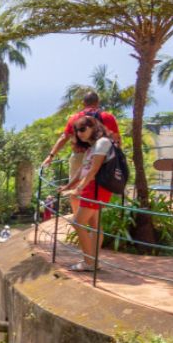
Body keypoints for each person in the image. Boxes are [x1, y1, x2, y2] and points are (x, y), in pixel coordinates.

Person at [42, 91, 122, 209]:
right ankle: (99, 217)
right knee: (102, 186)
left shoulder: (75, 118)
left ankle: (77, 217)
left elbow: (64, 138)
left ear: (83, 103)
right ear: (98, 102)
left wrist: (51, 156)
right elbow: (116, 138)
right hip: (103, 156)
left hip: (80, 155)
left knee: (75, 188)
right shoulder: (107, 117)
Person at [60, 115, 113, 272]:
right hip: (91, 187)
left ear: (93, 127)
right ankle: (93, 260)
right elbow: (81, 170)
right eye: (77, 131)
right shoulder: (91, 147)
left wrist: (78, 188)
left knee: (77, 223)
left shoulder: (102, 142)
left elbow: (94, 169)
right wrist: (68, 186)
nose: (80, 133)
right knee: (95, 226)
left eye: (83, 129)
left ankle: (89, 262)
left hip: (96, 187)